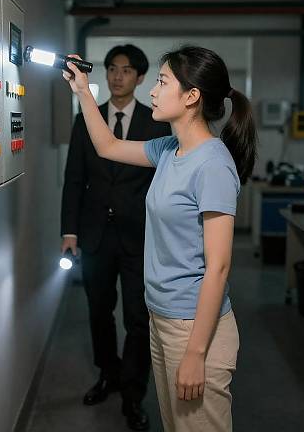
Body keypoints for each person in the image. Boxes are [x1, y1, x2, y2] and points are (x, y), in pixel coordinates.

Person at [62, 45, 257, 432]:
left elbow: (217, 268)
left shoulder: (213, 164)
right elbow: (108, 146)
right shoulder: (171, 150)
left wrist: (196, 353)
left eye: (162, 81)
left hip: (193, 327)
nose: (152, 90)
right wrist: (84, 91)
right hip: (163, 318)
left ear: (191, 96)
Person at [61, 44, 171, 431]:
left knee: (138, 318)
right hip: (94, 235)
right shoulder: (84, 120)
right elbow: (74, 177)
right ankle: (107, 373)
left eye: (126, 70)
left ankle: (133, 393)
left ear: (140, 78)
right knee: (98, 311)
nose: (117, 76)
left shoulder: (157, 122)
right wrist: (70, 230)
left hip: (140, 238)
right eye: (111, 69)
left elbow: (163, 182)